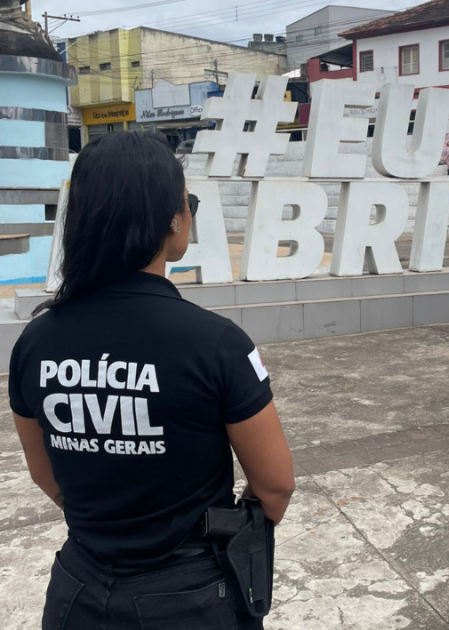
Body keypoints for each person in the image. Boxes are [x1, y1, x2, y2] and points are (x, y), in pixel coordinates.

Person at [8, 131, 295, 630]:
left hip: (77, 590)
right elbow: (275, 487)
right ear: (172, 219)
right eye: (189, 203)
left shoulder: (35, 341)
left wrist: (109, 526)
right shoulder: (216, 343)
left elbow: (44, 474)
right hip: (191, 596)